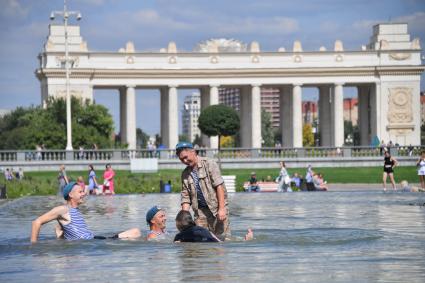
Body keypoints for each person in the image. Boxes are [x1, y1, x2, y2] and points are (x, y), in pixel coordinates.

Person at [30, 182, 141, 243]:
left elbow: (72, 233)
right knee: (136, 232)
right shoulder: (63, 209)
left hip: (93, 241)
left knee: (136, 232)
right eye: (80, 192)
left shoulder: (75, 211)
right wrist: (33, 247)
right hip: (93, 242)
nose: (84, 194)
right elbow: (36, 222)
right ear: (71, 195)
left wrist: (60, 235)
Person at [176, 142, 230, 241]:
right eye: (181, 159)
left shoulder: (209, 164)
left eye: (186, 157)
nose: (185, 161)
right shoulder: (185, 174)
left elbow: (219, 186)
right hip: (200, 213)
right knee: (201, 241)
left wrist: (222, 209)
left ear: (193, 152)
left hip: (216, 209)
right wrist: (184, 218)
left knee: (222, 240)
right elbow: (186, 197)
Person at [174, 210, 253, 242]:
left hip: (208, 241)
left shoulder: (179, 235)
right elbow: (209, 234)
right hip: (213, 236)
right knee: (225, 238)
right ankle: (244, 239)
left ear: (179, 223)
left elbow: (176, 243)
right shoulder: (199, 228)